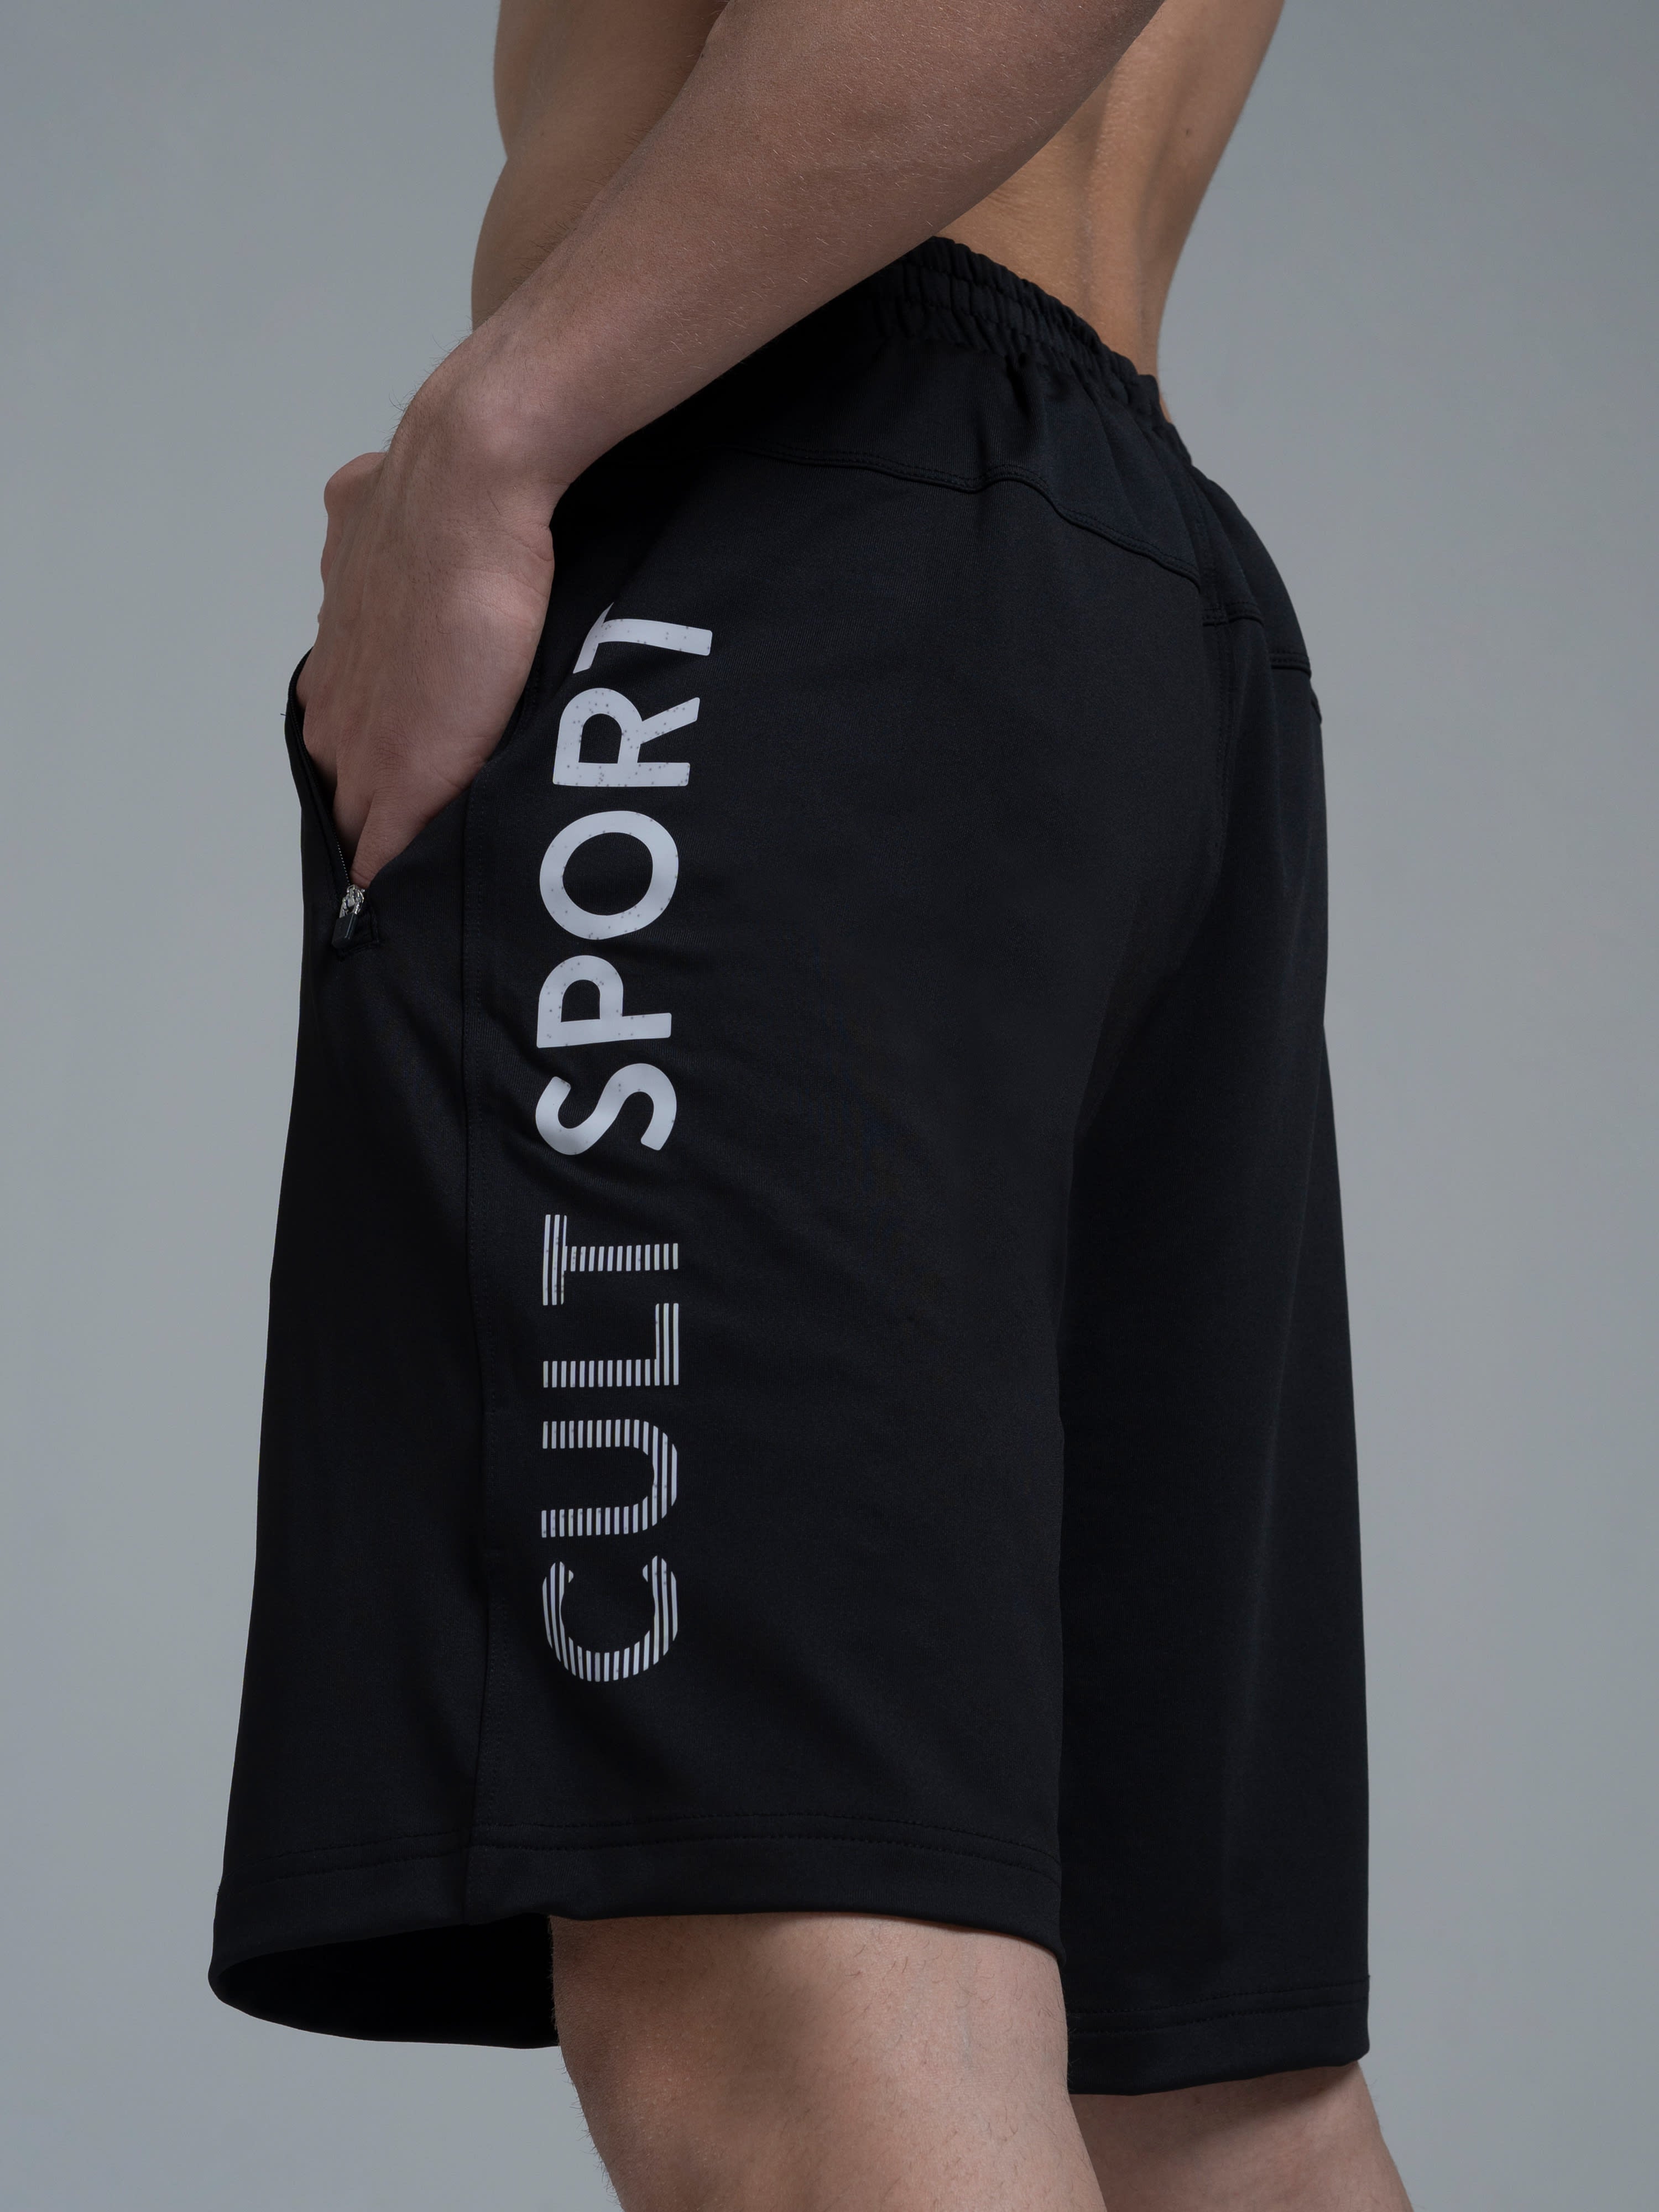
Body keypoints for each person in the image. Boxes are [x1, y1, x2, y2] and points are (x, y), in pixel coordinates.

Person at [210, 0, 1413, 2203]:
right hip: (1113, 582)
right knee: (1201, 2106)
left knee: (796, 1999)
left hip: (769, 570)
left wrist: (503, 424)